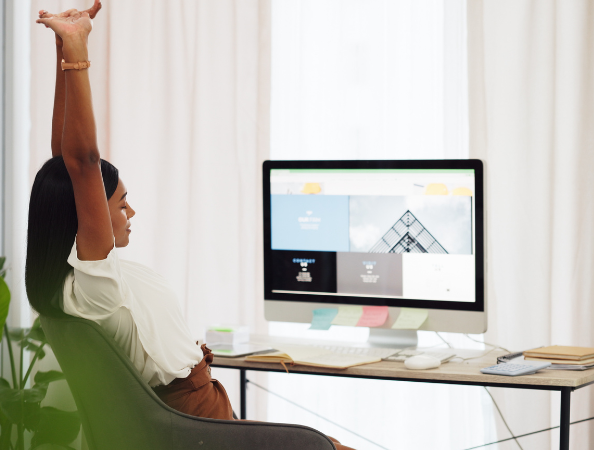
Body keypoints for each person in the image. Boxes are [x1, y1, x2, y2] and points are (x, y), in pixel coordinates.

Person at [26, 3, 354, 449]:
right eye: (122, 204)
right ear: (88, 216)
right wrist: (80, 50)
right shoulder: (96, 286)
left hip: (189, 419)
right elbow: (80, 164)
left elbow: (64, 161)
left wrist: (65, 50)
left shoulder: (69, 285)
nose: (131, 213)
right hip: (192, 422)